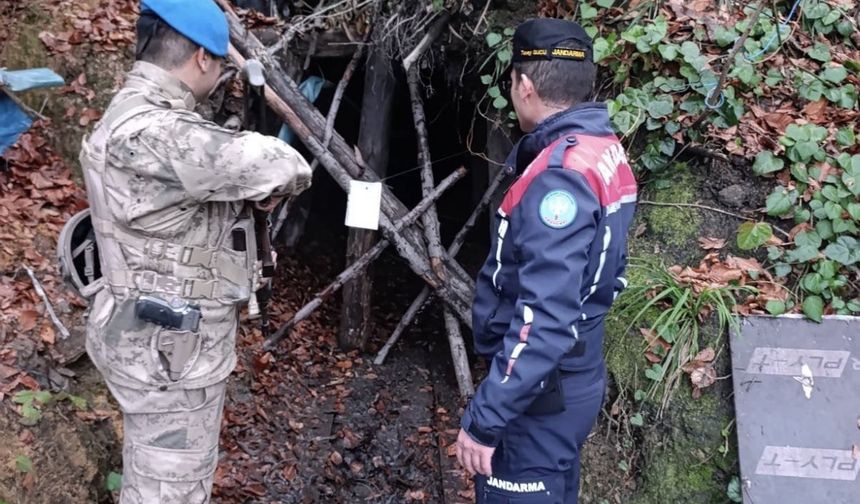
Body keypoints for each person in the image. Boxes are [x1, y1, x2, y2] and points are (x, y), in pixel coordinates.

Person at [77, 0, 311, 501]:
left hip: (146, 336)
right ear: (203, 58)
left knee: (154, 474)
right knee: (169, 490)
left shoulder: (130, 114)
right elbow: (282, 163)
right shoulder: (160, 131)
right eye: (221, 64)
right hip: (170, 354)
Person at [456, 18, 637, 503]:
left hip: (540, 394)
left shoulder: (559, 177)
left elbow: (546, 317)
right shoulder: (603, 151)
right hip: (573, 376)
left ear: (525, 85)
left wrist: (487, 416)